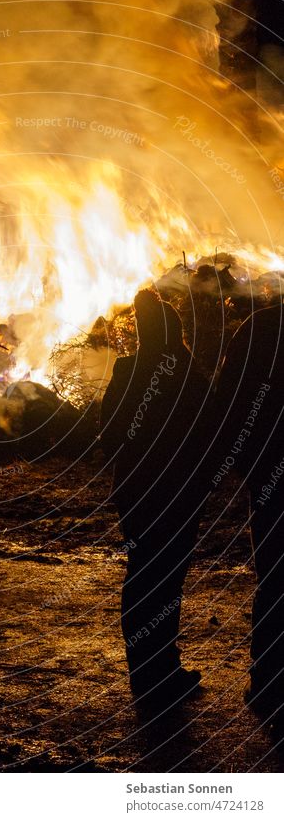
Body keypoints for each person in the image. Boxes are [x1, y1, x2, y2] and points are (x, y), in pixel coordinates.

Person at [100, 289, 210, 713]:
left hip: (136, 496)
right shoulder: (187, 376)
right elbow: (208, 437)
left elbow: (108, 434)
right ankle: (163, 670)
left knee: (142, 575)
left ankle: (145, 673)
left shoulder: (128, 371)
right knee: (167, 582)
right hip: (179, 497)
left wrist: (130, 464)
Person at [213, 302, 284, 737]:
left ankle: (268, 679)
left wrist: (244, 463)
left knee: (275, 573)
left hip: (268, 473)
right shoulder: (259, 329)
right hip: (268, 469)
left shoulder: (257, 329)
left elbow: (228, 403)